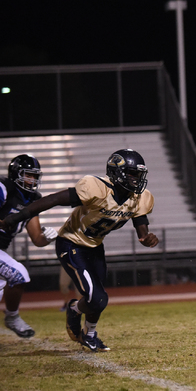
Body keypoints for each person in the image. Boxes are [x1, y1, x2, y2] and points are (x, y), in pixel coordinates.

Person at [0, 149, 158, 351]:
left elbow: (141, 228)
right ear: (116, 172)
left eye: (139, 175)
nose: (136, 180)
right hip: (71, 243)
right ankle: (76, 313)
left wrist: (146, 238)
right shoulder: (96, 187)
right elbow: (54, 199)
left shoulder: (140, 198)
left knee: (98, 298)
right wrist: (17, 217)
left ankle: (88, 331)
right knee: (98, 298)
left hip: (94, 246)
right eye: (132, 174)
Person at [0, 154, 58, 338]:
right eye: (28, 175)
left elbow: (37, 239)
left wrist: (48, 237)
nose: (32, 180)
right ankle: (12, 317)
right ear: (16, 173)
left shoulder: (33, 199)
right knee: (19, 274)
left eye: (35, 176)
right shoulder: (4, 188)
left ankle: (12, 317)